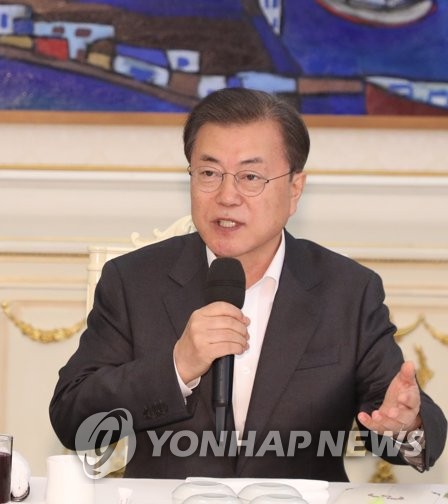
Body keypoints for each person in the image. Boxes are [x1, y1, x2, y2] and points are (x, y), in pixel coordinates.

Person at [49, 88, 446, 480]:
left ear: (294, 190)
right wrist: (177, 367)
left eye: (250, 177)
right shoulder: (134, 281)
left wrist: (405, 427)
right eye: (209, 174)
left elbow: (396, 416)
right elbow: (73, 418)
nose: (227, 196)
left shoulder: (348, 291)